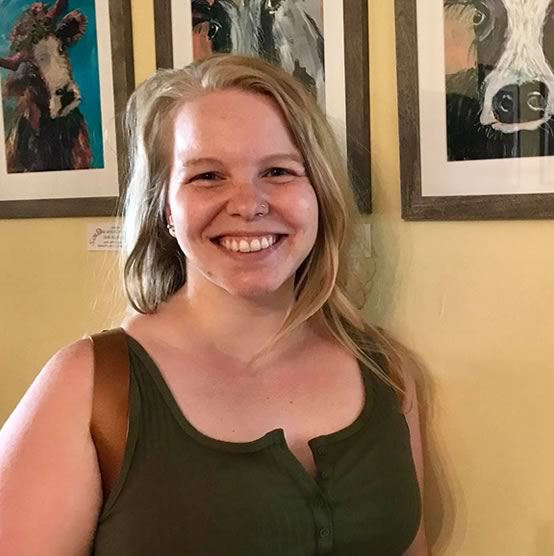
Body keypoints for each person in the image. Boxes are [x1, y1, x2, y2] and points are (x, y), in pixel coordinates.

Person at [0, 55, 429, 555]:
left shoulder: (386, 372)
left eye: (277, 171)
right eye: (207, 176)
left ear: (320, 194)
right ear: (166, 210)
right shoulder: (87, 385)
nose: (248, 205)